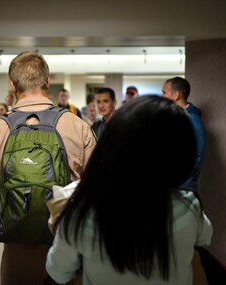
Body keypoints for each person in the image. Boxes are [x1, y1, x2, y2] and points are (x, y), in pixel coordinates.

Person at [0, 51, 97, 285]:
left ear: (12, 85)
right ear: (47, 82)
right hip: (68, 252)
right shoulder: (77, 126)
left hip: (16, 254)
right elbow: (99, 191)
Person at [46, 95, 213, 285]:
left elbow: (58, 272)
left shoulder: (81, 211)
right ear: (181, 155)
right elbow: (205, 237)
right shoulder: (189, 207)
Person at [162, 76, 206, 191]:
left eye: (164, 92)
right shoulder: (174, 118)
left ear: (176, 95)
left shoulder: (192, 120)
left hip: (182, 187)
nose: (162, 97)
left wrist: (180, 181)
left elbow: (197, 157)